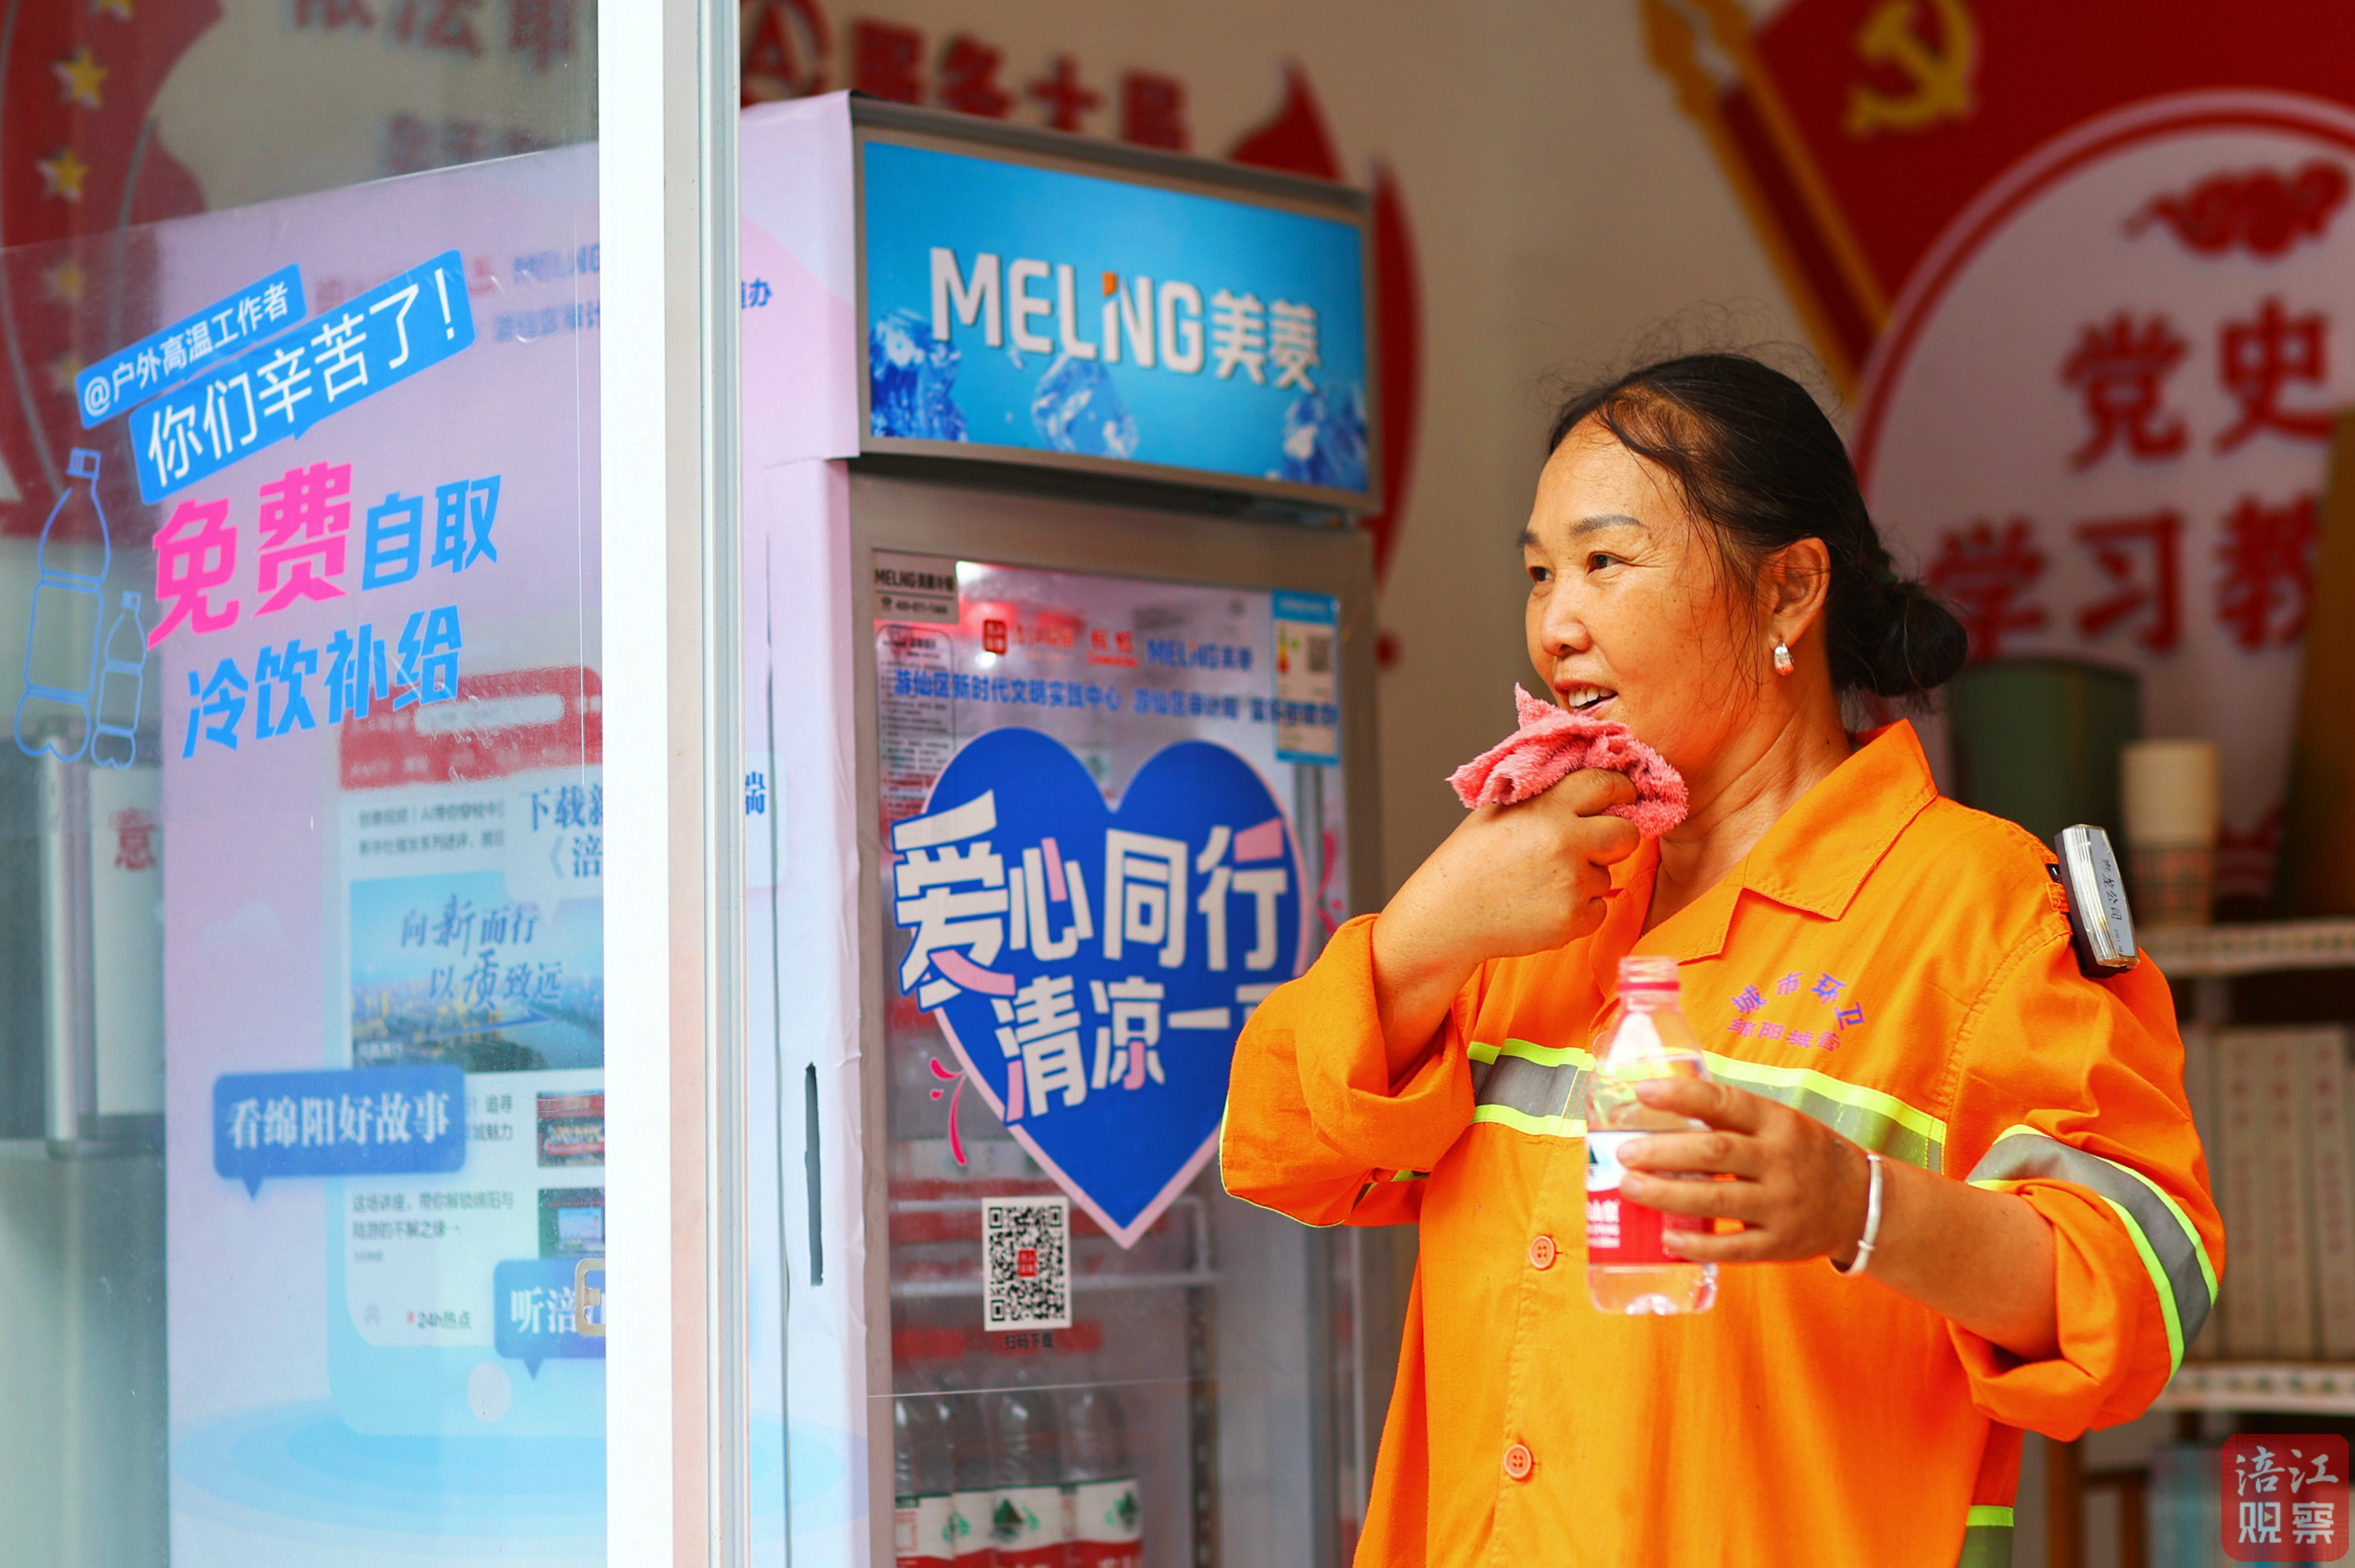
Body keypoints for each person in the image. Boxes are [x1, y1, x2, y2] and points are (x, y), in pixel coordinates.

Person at [1222, 353, 2218, 1567]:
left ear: (1788, 590)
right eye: (1538, 572)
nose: (1555, 623)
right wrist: (1427, 930)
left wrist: (1859, 1206)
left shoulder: (1981, 906)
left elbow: (2144, 1286)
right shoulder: (1529, 888)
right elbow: (1275, 1152)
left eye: (1604, 561)